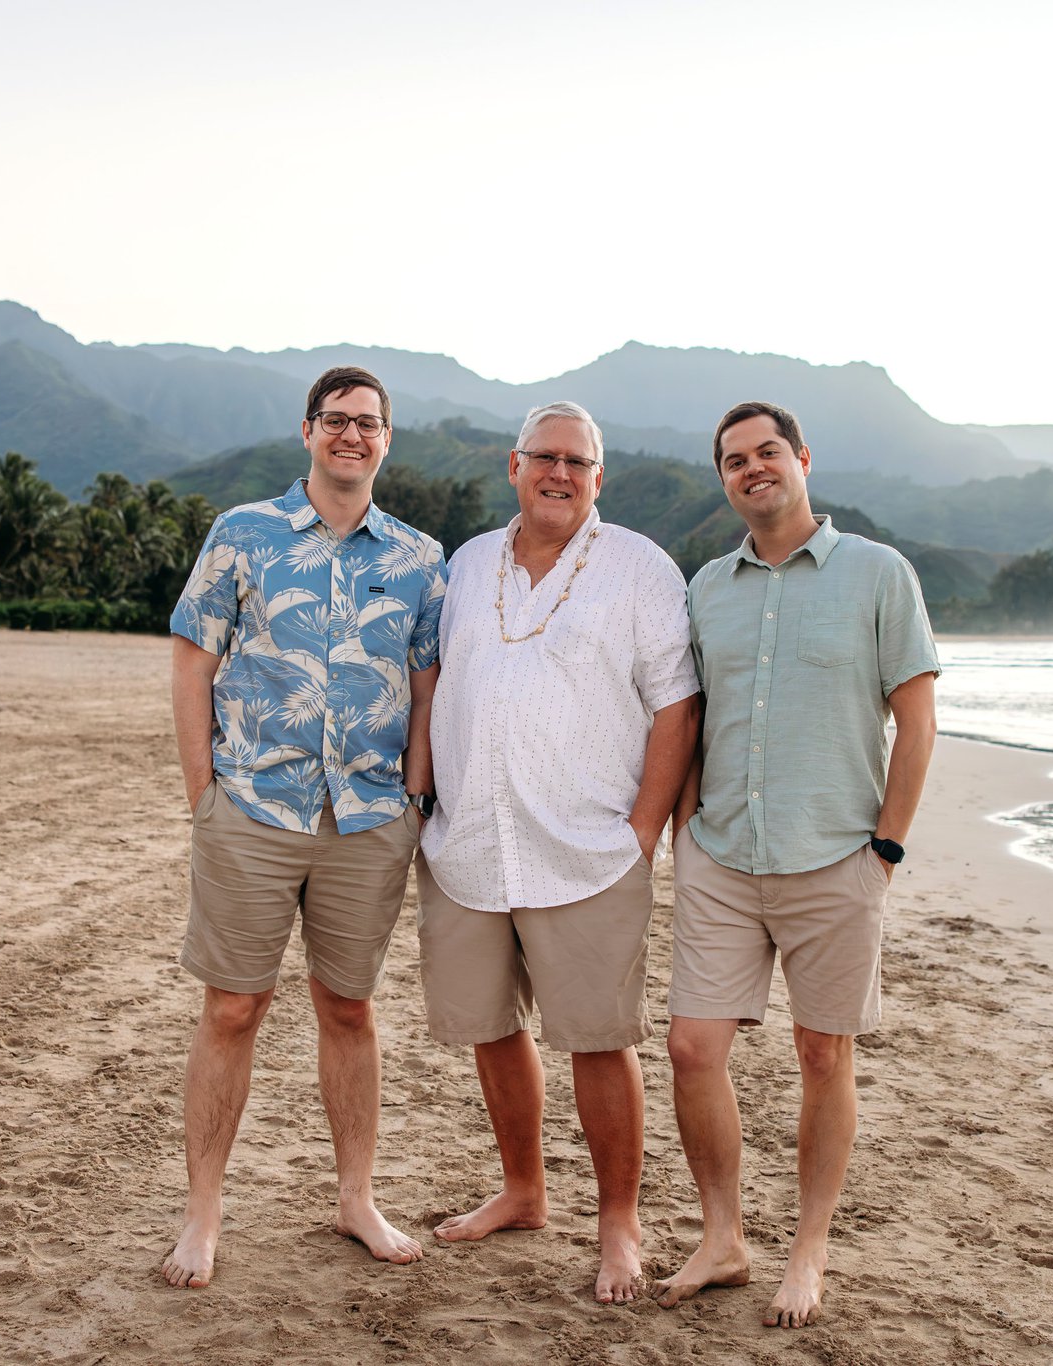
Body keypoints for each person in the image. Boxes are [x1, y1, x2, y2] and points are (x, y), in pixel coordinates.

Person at [655, 399, 939, 1327]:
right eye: (734, 460)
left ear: (803, 459)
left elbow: (917, 722)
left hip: (836, 856)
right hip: (721, 856)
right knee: (692, 1049)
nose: (753, 469)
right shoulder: (706, 586)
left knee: (823, 1053)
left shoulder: (879, 573)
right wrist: (685, 831)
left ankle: (808, 1251)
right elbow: (691, 715)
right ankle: (723, 1238)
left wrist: (885, 850)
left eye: (767, 451)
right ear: (724, 479)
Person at [161, 365, 447, 1288]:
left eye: (368, 423)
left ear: (386, 439)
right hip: (252, 807)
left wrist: (413, 795)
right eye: (336, 419)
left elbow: (428, 685)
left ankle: (356, 1199)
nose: (351, 435)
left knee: (350, 1008)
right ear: (308, 430)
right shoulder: (242, 533)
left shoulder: (420, 558)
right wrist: (203, 792)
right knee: (232, 1008)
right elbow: (193, 661)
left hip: (367, 818)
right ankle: (203, 1213)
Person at [417, 400, 700, 1303]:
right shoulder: (467, 565)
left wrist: (643, 831)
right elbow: (431, 680)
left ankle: (619, 1224)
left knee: (597, 1039)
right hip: (469, 842)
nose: (560, 473)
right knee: (490, 1027)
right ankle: (523, 1191)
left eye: (578, 462)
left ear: (598, 478)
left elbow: (677, 703)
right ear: (514, 466)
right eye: (545, 457)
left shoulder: (640, 568)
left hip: (588, 847)